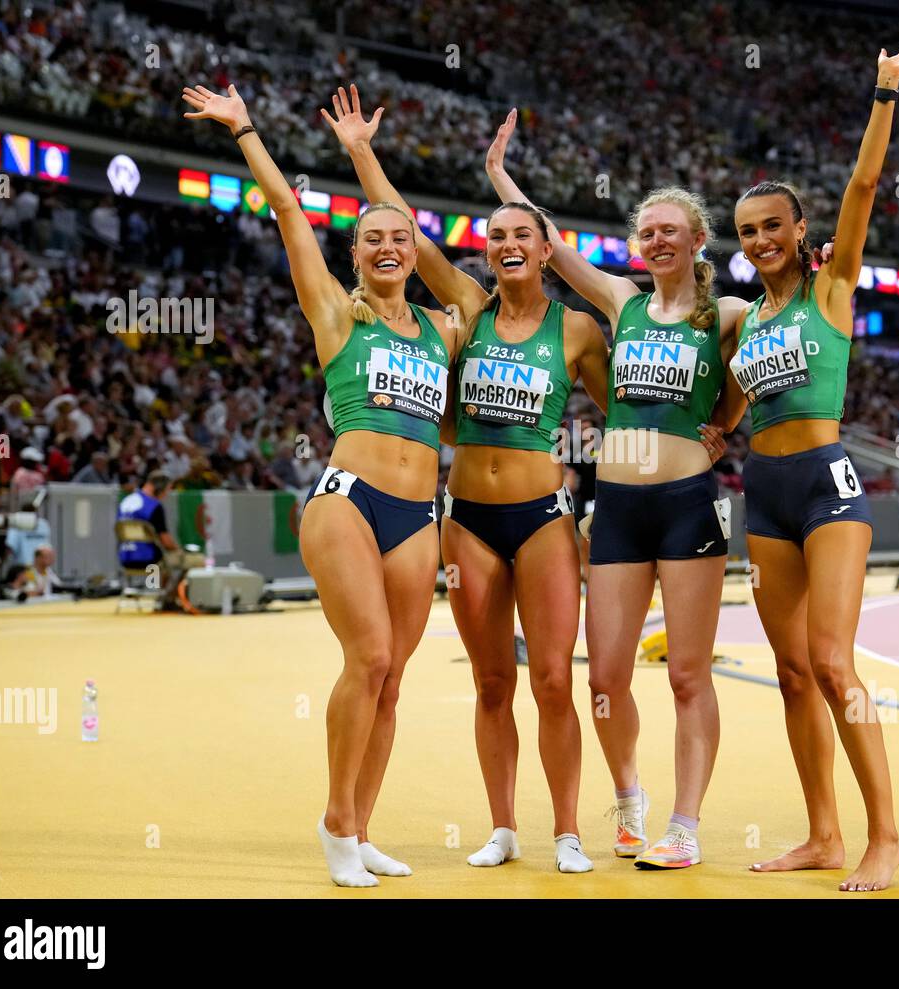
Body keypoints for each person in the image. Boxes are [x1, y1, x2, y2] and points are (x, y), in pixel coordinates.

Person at [324, 85, 612, 872]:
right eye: (497, 235)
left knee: (553, 678)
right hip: (467, 519)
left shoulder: (578, 329)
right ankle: (504, 828)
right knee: (492, 682)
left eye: (522, 234)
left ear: (546, 249)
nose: (507, 243)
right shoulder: (470, 308)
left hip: (546, 518)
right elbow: (407, 237)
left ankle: (567, 832)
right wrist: (360, 154)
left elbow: (629, 417)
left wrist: (662, 466)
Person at [184, 82, 456, 887]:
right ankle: (337, 822)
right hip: (349, 502)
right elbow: (288, 212)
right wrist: (246, 132)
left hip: (419, 511)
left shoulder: (444, 329)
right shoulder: (338, 314)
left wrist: (369, 160)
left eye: (398, 238)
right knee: (368, 656)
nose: (385, 247)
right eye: (371, 238)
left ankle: (363, 824)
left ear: (412, 250)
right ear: (356, 253)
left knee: (395, 677)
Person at [486, 110, 743, 870]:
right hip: (622, 508)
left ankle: (685, 824)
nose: (658, 239)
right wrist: (501, 177)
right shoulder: (620, 301)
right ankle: (628, 798)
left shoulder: (722, 315)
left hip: (690, 503)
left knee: (690, 674)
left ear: (698, 240)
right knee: (603, 676)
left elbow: (768, 358)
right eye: (648, 231)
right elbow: (549, 245)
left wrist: (726, 419)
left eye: (672, 229)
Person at [723, 37, 899, 891]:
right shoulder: (745, 324)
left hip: (827, 488)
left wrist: (883, 93)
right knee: (792, 670)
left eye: (773, 226)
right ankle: (822, 832)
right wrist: (709, 436)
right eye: (747, 232)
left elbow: (865, 187)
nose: (762, 239)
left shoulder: (830, 289)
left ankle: (885, 835)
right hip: (761, 493)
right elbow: (732, 405)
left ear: (799, 231)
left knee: (835, 661)